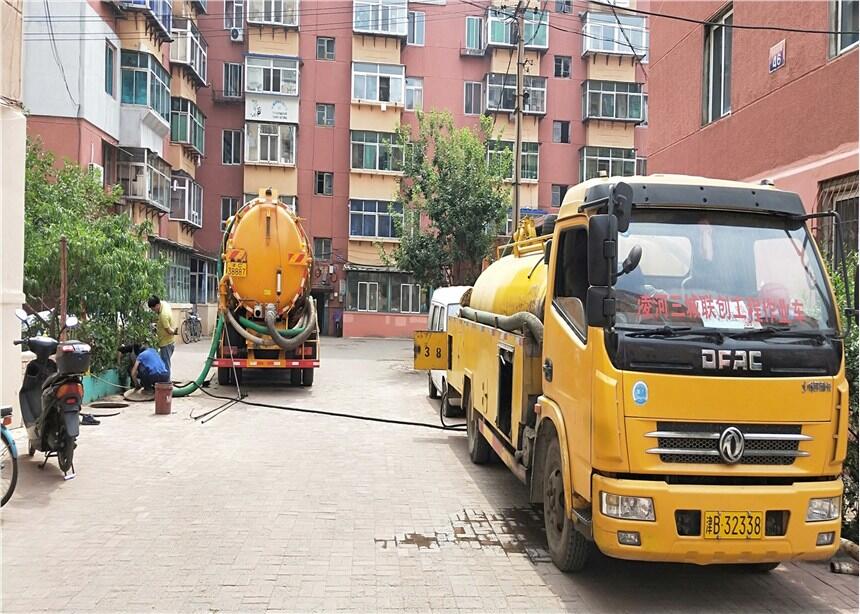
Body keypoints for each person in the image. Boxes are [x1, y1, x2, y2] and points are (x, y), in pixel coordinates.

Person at [147, 295, 177, 379]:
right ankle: (165, 383)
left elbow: (168, 330)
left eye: (153, 309)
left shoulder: (163, 315)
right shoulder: (164, 304)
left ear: (157, 305)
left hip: (166, 344)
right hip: (168, 342)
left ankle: (166, 385)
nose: (153, 311)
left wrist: (174, 332)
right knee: (164, 364)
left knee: (165, 366)